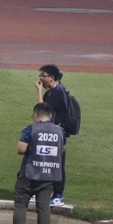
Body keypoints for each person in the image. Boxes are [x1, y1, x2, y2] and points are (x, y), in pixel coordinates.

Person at [2, 103, 64, 224]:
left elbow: (21, 149)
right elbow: (62, 150)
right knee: (43, 208)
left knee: (21, 205)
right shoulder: (60, 131)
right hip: (50, 174)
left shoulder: (30, 129)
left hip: (29, 173)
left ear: (36, 116)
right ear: (50, 116)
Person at [36, 64, 70, 206]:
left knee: (57, 164)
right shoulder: (51, 92)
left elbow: (42, 110)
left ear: (51, 78)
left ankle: (58, 195)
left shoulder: (58, 92)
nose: (40, 79)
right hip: (51, 132)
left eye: (43, 76)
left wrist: (38, 91)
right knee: (46, 161)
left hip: (58, 133)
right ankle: (45, 191)